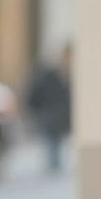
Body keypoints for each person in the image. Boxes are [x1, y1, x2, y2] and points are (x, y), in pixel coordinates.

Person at [26, 45, 72, 173]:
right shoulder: (49, 77)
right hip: (50, 114)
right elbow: (36, 95)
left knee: (53, 141)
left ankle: (54, 164)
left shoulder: (57, 76)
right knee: (52, 141)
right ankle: (53, 165)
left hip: (54, 115)